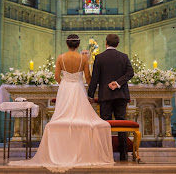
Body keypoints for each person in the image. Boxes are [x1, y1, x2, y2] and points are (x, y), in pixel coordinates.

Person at [9, 34, 114, 172]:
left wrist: (65, 83)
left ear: (67, 44)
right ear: (77, 45)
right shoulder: (83, 58)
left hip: (65, 88)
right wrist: (89, 88)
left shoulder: (60, 58)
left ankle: (61, 152)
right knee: (80, 118)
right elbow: (88, 77)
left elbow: (56, 76)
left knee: (62, 117)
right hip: (78, 88)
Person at [88, 34, 134, 161]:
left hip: (106, 96)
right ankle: (124, 154)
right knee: (122, 123)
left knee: (105, 124)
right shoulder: (124, 57)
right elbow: (130, 73)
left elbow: (95, 79)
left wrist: (90, 95)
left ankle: (105, 153)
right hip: (121, 96)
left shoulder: (99, 57)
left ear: (106, 43)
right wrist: (118, 83)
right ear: (117, 44)